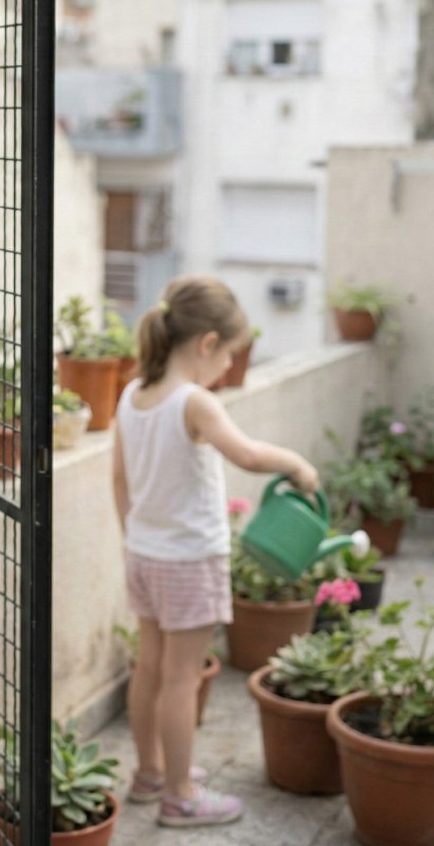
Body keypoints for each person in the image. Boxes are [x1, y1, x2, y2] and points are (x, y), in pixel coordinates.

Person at [112, 275, 319, 829]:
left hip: (145, 554)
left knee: (150, 667)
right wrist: (298, 465)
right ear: (206, 344)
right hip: (189, 561)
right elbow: (247, 455)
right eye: (228, 355)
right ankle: (180, 796)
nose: (228, 368)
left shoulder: (132, 395)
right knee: (183, 679)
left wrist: (134, 537)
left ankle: (150, 773)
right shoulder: (194, 402)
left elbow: (119, 479)